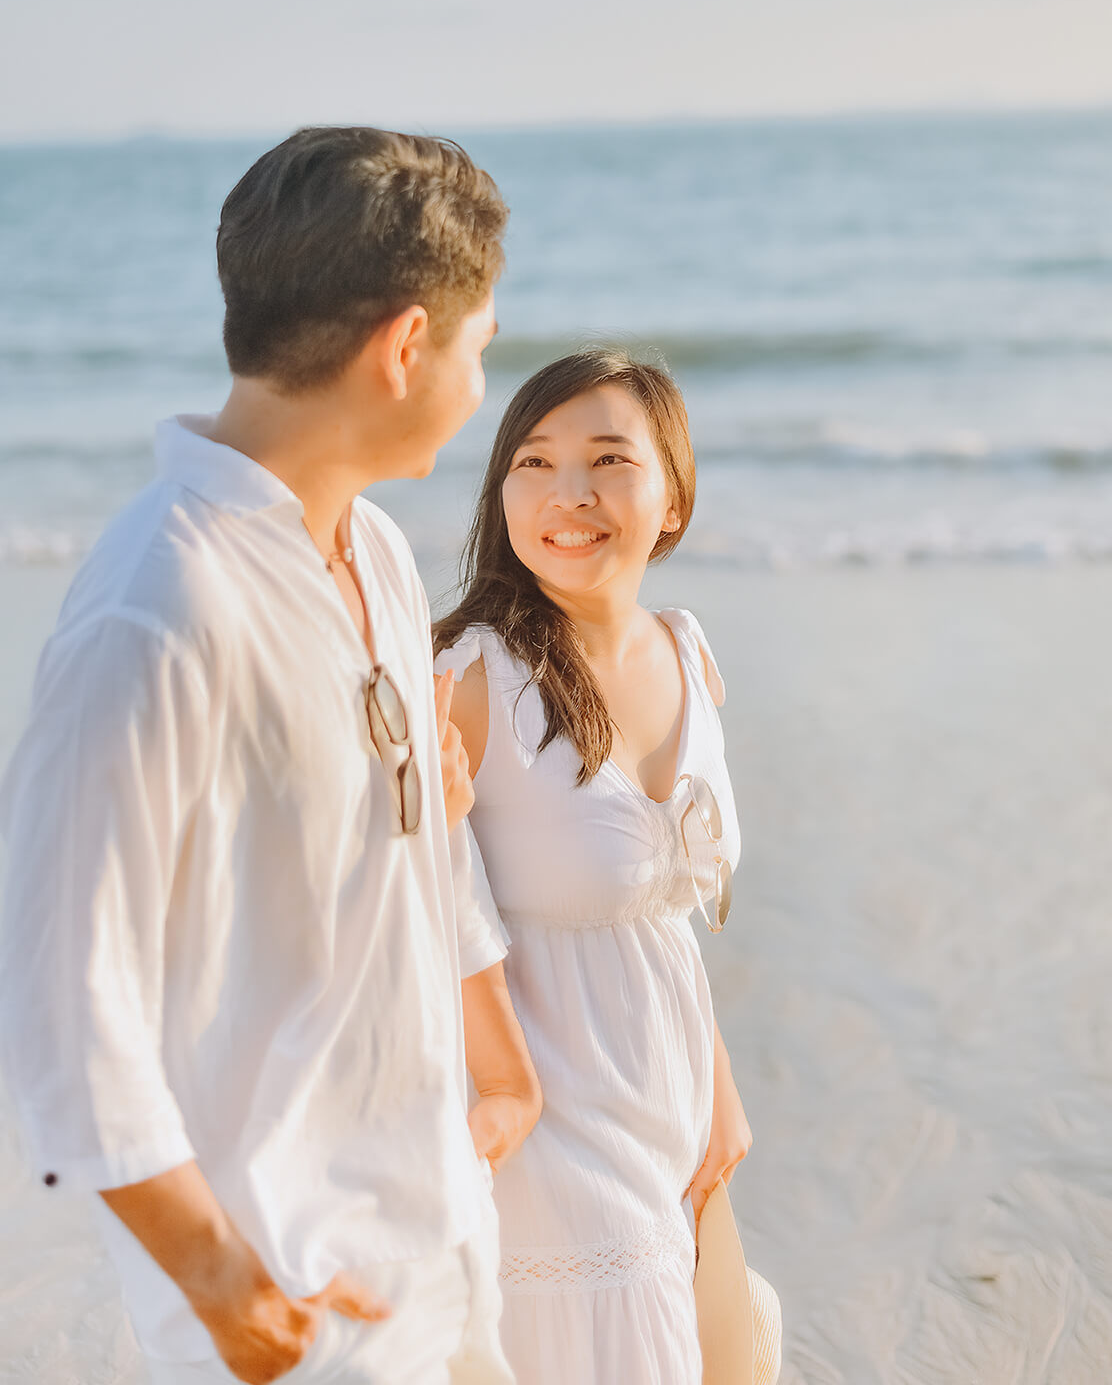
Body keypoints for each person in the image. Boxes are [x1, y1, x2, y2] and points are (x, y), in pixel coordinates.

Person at [0, 126, 540, 1385]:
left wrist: (497, 1059)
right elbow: (58, 988)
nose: (477, 387)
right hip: (291, 1296)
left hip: (438, 1234)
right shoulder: (157, 610)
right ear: (406, 346)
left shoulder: (380, 556)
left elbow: (419, 835)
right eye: (477, 349)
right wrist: (223, 1284)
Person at [433, 350, 751, 1385]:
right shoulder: (472, 675)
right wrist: (499, 1086)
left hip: (675, 1104)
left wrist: (721, 1087)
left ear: (672, 495)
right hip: (547, 1111)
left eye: (607, 460)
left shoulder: (687, 650)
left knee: (730, 1361)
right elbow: (398, 898)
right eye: (532, 461)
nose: (567, 494)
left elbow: (662, 914)